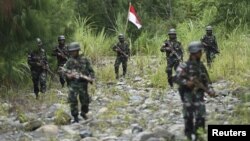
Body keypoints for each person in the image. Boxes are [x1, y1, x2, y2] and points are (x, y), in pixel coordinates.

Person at [174, 41, 215, 141]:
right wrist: (186, 82)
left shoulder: (201, 66)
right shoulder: (184, 66)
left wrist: (210, 90)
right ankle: (188, 136)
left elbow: (207, 81)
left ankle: (199, 136)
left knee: (201, 117)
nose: (201, 54)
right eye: (199, 52)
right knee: (188, 117)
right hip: (187, 95)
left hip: (199, 96)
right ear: (194, 53)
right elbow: (176, 78)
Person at [60, 42, 95, 123]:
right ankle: (75, 117)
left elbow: (91, 71)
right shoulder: (69, 61)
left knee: (85, 100)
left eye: (74, 51)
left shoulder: (85, 60)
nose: (72, 53)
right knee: (73, 100)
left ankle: (83, 112)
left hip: (83, 84)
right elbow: (63, 71)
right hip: (73, 84)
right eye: (71, 51)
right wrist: (68, 76)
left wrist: (91, 78)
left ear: (78, 50)